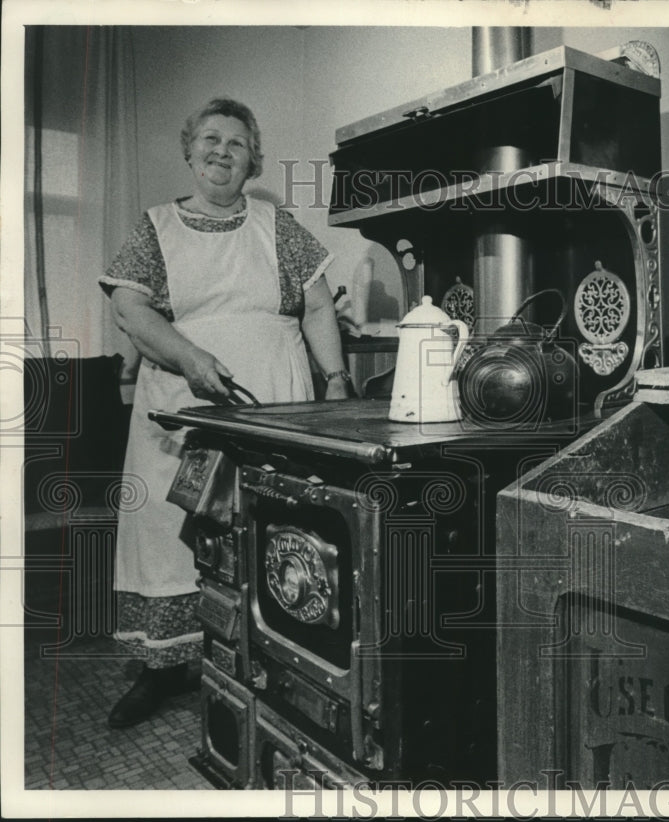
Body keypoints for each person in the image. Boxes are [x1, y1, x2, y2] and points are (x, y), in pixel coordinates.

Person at [98, 97, 351, 728]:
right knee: (168, 530)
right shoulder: (155, 227)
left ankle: (266, 660)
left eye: (236, 143)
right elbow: (131, 311)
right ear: (189, 151)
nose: (221, 151)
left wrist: (338, 379)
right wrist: (190, 357)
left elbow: (317, 307)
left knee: (267, 526)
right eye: (210, 139)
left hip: (274, 400)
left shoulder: (277, 225)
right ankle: (163, 669)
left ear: (252, 160)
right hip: (180, 407)